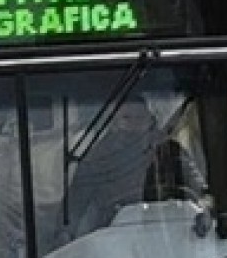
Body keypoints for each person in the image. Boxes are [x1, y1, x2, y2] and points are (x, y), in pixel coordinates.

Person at [64, 94, 207, 238]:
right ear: (114, 122)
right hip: (115, 234)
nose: (133, 124)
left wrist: (204, 209)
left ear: (150, 120)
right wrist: (65, 234)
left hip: (169, 231)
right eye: (126, 118)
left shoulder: (170, 151)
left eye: (139, 118)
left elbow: (198, 187)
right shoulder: (96, 157)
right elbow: (74, 206)